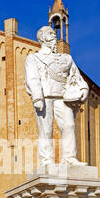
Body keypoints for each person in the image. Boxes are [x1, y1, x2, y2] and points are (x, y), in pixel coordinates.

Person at [25, 25, 89, 170]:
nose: (53, 36)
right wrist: (37, 98)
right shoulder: (34, 58)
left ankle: (69, 158)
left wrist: (84, 88)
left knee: (69, 125)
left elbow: (76, 76)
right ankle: (47, 160)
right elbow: (32, 79)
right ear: (42, 38)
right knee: (45, 130)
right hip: (44, 97)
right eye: (50, 34)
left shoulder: (66, 58)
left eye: (53, 34)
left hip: (63, 96)